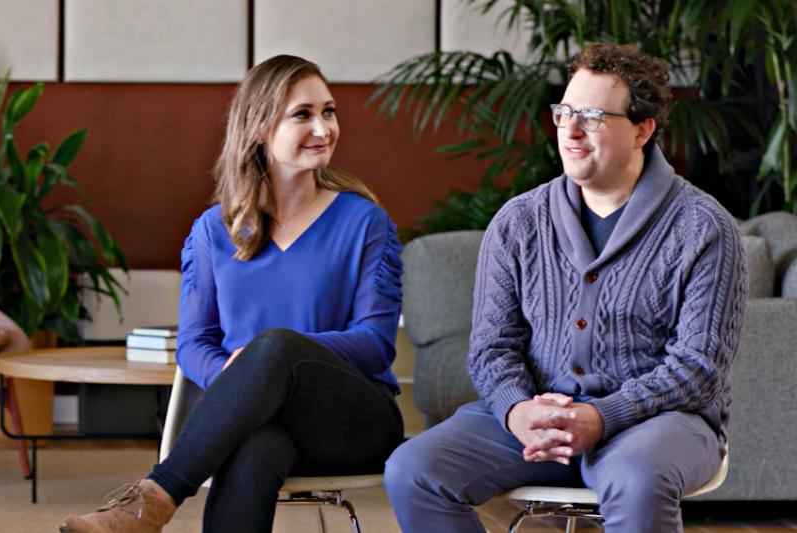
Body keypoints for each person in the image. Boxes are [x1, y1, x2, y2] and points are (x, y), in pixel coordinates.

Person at [385, 43, 748, 532]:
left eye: (592, 117)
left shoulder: (703, 227)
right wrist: (516, 410)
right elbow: (492, 347)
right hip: (537, 414)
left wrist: (602, 416)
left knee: (637, 479)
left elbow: (699, 367)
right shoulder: (518, 221)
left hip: (660, 422)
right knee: (414, 470)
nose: (571, 131)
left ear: (642, 130)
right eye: (565, 113)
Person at [60, 55, 404, 533]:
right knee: (256, 446)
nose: (323, 128)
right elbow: (193, 343)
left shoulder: (365, 222)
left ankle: (154, 498)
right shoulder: (212, 230)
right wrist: (241, 375)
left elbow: (374, 344)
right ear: (258, 128)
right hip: (253, 421)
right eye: (303, 114)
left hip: (351, 420)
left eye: (329, 111)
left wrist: (268, 357)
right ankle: (148, 508)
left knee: (276, 345)